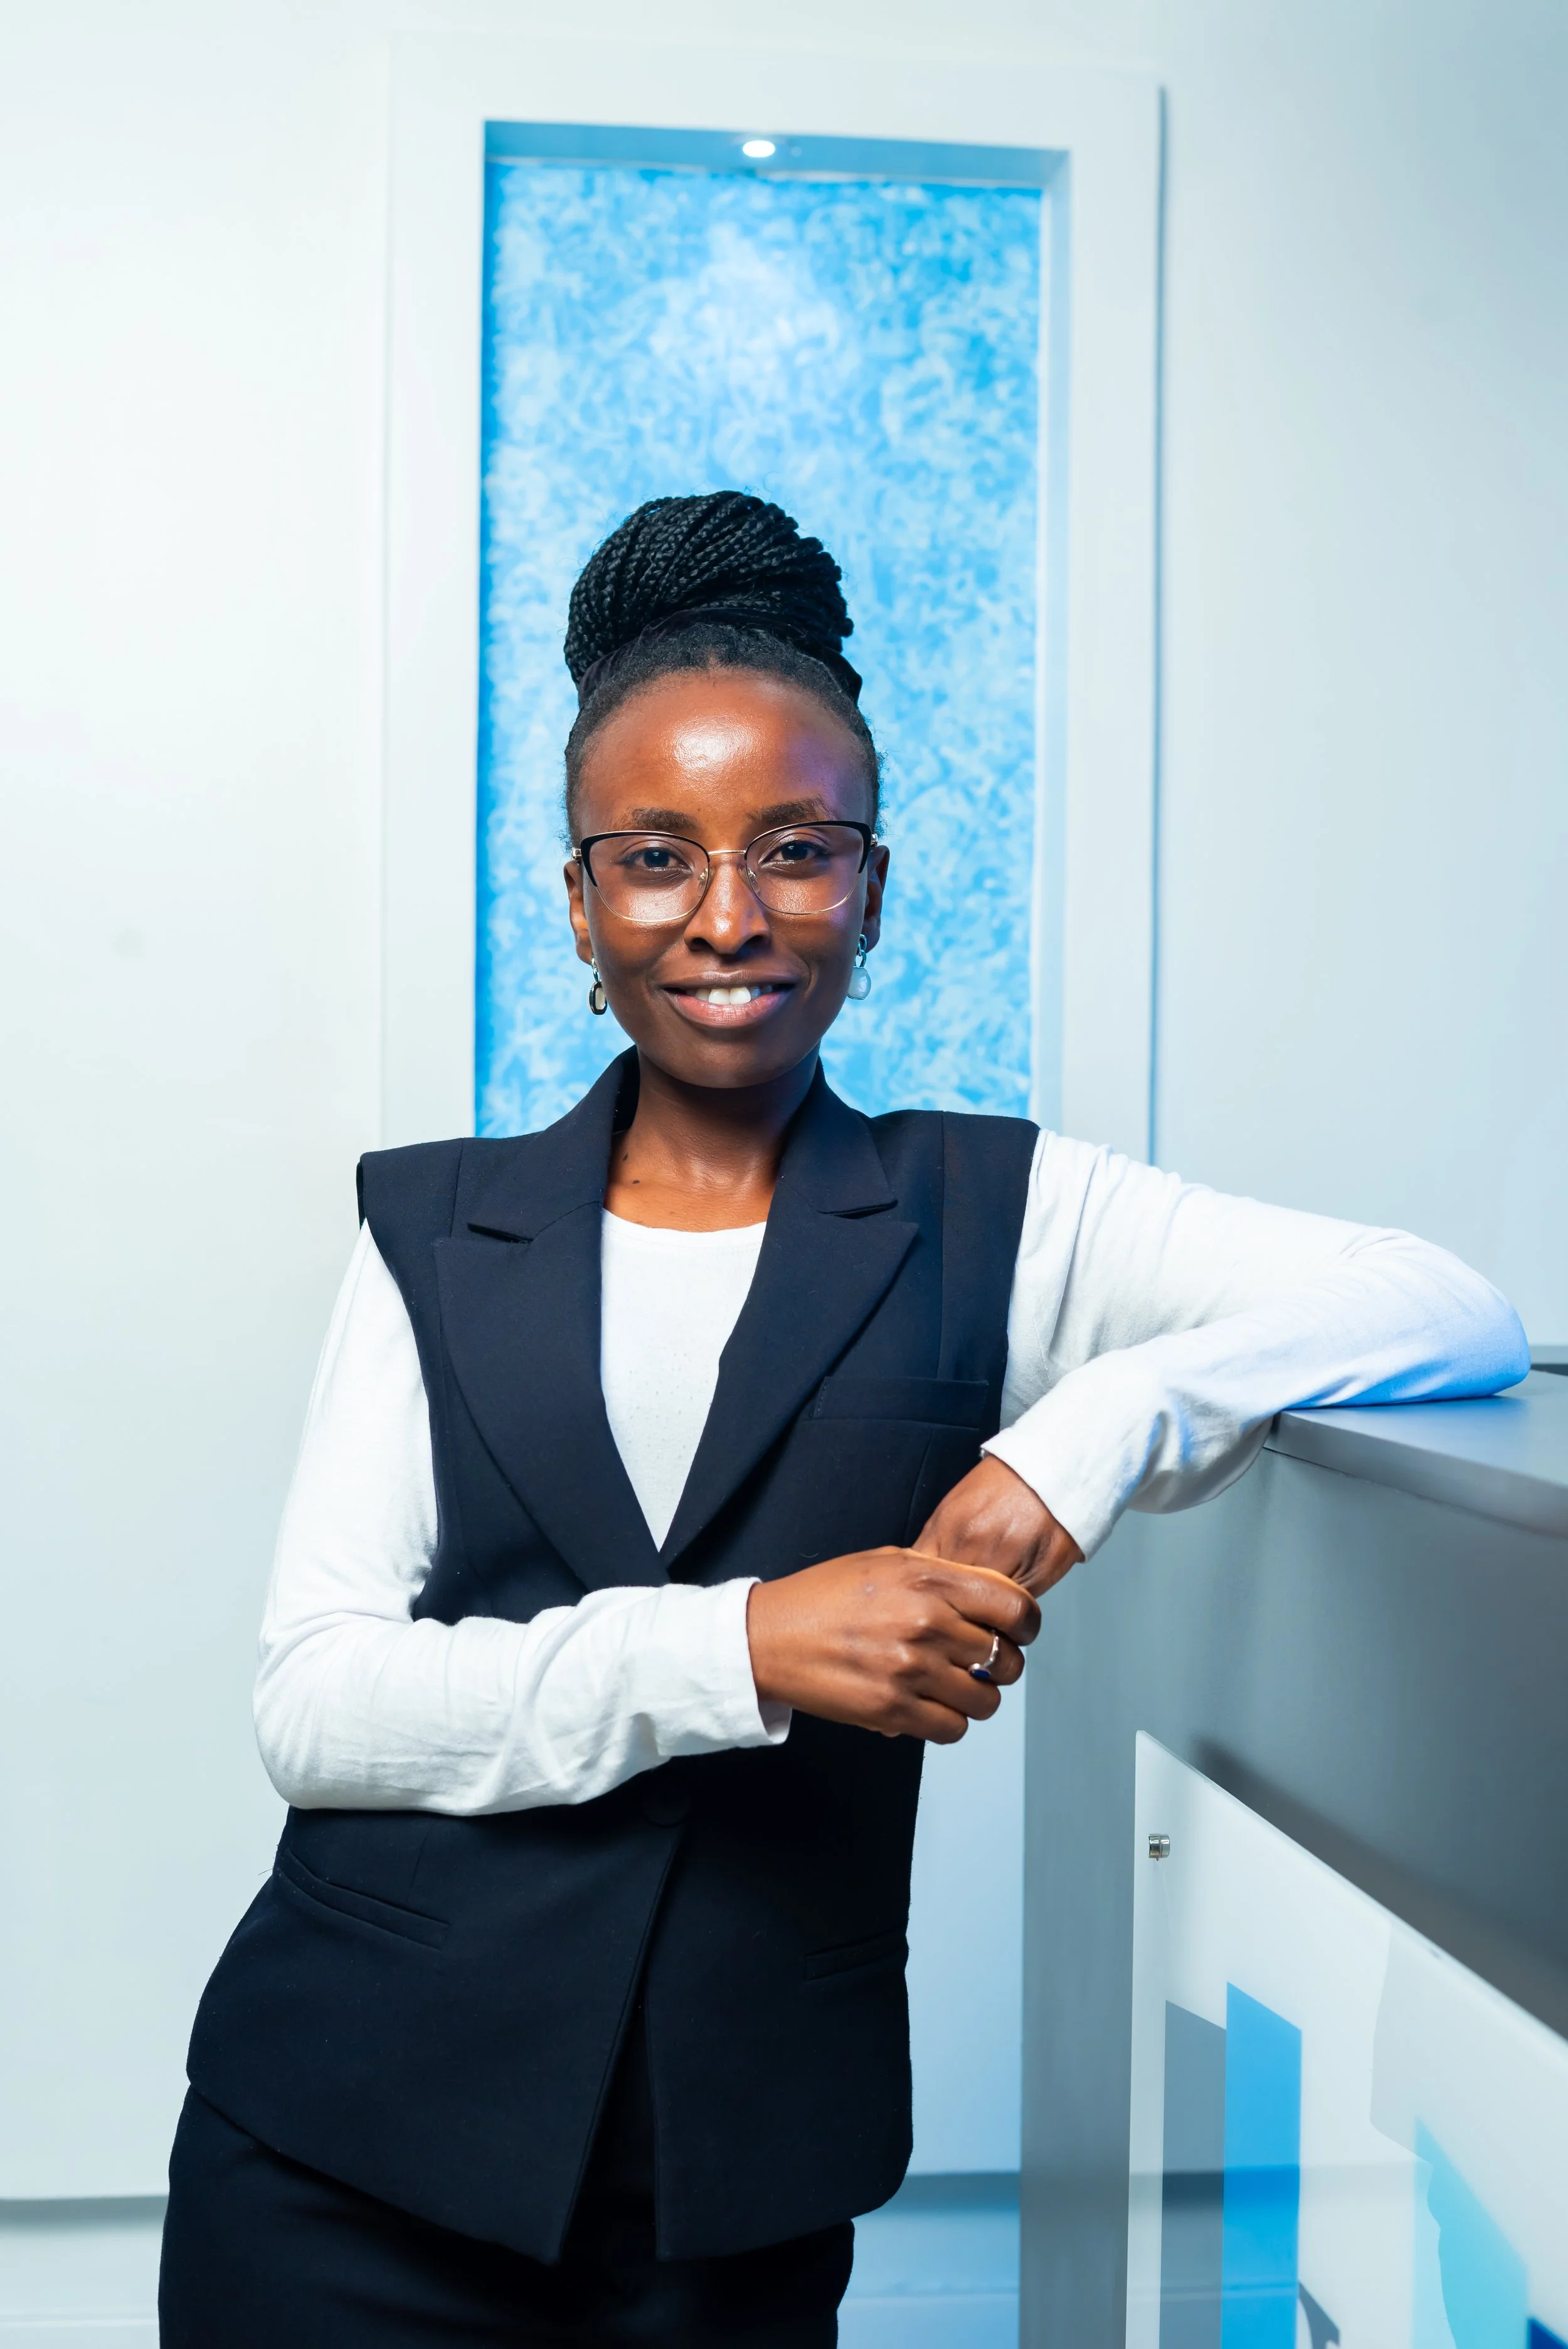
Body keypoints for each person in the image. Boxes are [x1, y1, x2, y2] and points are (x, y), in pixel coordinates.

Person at [159, 492, 1527, 2346]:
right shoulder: (433, 1226)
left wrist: (1077, 1436)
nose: (728, 917)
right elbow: (315, 1704)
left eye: (793, 851)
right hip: (342, 2153)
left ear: (870, 888)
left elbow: (1446, 1304)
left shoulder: (994, 1209)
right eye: (655, 857)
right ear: (579, 901)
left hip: (737, 2183)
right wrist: (745, 1644)